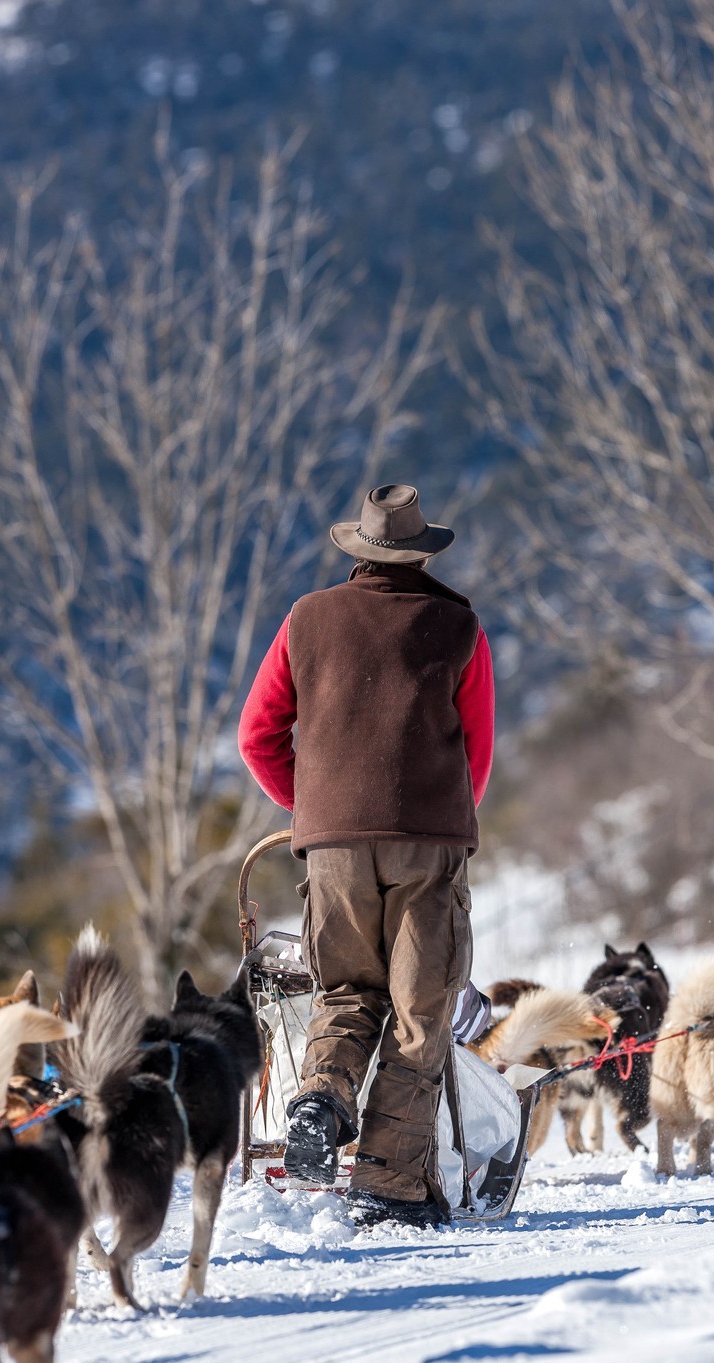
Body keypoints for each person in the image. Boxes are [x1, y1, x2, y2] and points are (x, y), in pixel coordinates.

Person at [237, 483, 494, 1227]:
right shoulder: (456, 625)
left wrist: (315, 812)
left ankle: (320, 1098)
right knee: (419, 1018)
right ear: (420, 552)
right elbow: (475, 751)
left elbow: (257, 737)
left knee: (347, 994)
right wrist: (439, 815)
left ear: (358, 549)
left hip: (331, 848)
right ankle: (389, 1183)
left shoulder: (305, 620)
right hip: (429, 845)